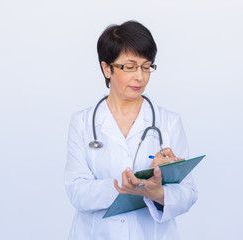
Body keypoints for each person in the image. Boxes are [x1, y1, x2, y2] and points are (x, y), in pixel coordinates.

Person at [64, 20, 197, 240]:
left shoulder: (169, 122)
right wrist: (124, 186)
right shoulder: (82, 123)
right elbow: (77, 193)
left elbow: (188, 193)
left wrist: (158, 193)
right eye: (130, 67)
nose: (140, 77)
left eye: (146, 67)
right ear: (107, 68)